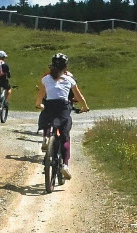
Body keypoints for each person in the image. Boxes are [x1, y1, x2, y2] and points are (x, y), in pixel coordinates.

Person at [35, 52, 90, 181]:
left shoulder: (45, 79)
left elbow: (40, 96)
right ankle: (65, 165)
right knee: (65, 137)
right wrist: (85, 108)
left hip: (49, 106)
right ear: (65, 67)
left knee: (47, 120)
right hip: (63, 108)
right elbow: (79, 97)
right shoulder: (69, 79)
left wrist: (39, 105)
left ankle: (46, 137)